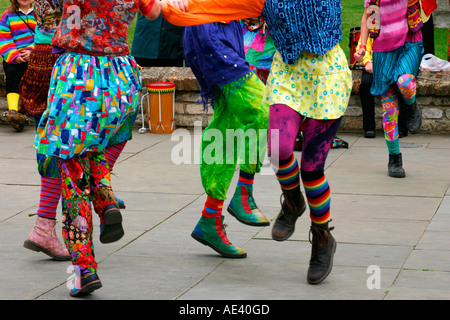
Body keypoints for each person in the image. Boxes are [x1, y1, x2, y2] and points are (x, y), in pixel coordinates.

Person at [161, 0, 352, 285]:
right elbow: (216, 6)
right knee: (278, 147)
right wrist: (169, 5)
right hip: (288, 73)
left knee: (312, 170)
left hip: (328, 76)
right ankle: (289, 199)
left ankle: (322, 237)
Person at [33, 0, 161, 297]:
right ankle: (105, 201)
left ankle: (84, 269)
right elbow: (154, 13)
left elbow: (46, 13)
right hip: (120, 76)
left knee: (73, 170)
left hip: (79, 75)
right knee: (96, 146)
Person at [183, 21, 269, 259]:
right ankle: (244, 192)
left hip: (226, 33)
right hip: (209, 36)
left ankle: (210, 218)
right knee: (264, 110)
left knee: (227, 125)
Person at [355, 0, 424, 178]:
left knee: (405, 82)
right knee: (389, 109)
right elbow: (368, 17)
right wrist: (362, 47)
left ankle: (410, 106)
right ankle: (394, 158)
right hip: (382, 50)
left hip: (409, 44)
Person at [0, 0, 35, 132]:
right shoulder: (8, 15)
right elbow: (3, 37)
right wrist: (14, 55)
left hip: (34, 54)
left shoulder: (39, 13)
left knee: (31, 78)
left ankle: (27, 111)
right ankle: (13, 110)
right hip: (14, 54)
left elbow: (44, 35)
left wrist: (32, 51)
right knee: (12, 73)